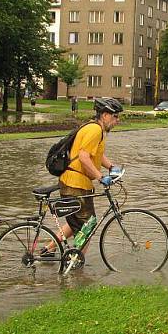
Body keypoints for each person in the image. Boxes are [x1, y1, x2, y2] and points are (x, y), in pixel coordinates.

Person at [58, 96, 122, 249]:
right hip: (75, 186)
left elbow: (96, 155)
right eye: (115, 116)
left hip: (74, 183)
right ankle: (76, 264)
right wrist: (100, 177)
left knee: (76, 222)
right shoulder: (95, 130)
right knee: (88, 225)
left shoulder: (93, 128)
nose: (117, 120)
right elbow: (84, 157)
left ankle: (47, 249)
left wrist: (112, 167)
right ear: (105, 115)